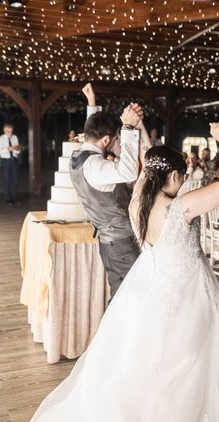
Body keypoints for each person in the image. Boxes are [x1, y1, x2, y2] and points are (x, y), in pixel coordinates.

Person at [0, 122, 219, 422]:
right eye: (180, 176)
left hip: (152, 285)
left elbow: (151, 165)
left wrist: (143, 131)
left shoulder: (138, 200)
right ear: (174, 176)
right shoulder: (181, 208)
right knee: (189, 356)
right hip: (186, 289)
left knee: (149, 355)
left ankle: (152, 416)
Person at [68, 83, 143, 298]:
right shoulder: (96, 167)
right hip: (119, 242)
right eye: (116, 137)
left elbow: (93, 131)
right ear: (107, 140)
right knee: (130, 296)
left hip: (108, 240)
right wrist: (128, 129)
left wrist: (93, 104)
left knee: (121, 293)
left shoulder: (78, 157)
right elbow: (129, 173)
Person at [0, 123, 20, 205]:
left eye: (11, 132)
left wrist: (16, 149)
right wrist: (8, 149)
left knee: (15, 180)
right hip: (5, 161)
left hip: (14, 160)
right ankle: (7, 199)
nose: (10, 134)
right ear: (4, 130)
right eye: (8, 132)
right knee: (6, 180)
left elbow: (18, 150)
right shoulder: (0, 139)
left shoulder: (15, 137)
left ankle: (14, 198)